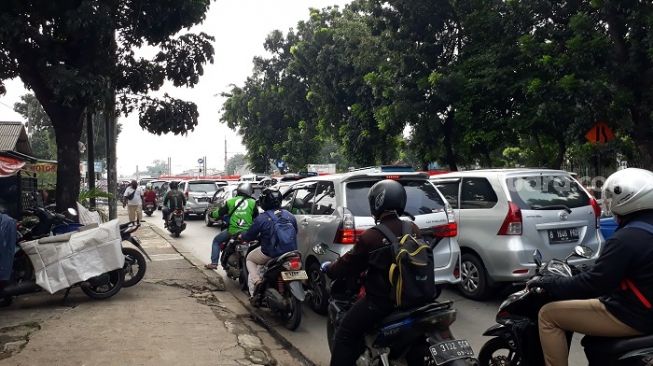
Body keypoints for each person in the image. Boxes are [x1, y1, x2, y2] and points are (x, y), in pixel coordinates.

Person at [527, 168, 653, 366]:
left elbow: (594, 284)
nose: (609, 205)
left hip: (637, 316)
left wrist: (552, 283)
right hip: (643, 309)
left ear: (626, 198)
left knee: (548, 315)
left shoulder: (626, 238)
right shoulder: (643, 232)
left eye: (612, 198)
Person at [321, 179, 421, 366]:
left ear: (377, 203)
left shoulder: (372, 236)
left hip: (382, 303)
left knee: (345, 333)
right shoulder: (412, 228)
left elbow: (347, 264)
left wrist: (330, 268)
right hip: (416, 297)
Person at [240, 188, 298, 298]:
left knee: (250, 259)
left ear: (264, 202)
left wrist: (242, 236)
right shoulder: (290, 215)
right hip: (291, 252)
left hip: (271, 253)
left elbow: (248, 236)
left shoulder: (262, 218)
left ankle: (257, 283)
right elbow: (296, 232)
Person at [205, 183, 258, 270]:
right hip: (248, 232)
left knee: (216, 241)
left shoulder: (230, 201)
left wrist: (211, 213)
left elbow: (218, 213)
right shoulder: (253, 202)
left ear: (238, 191)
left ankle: (214, 263)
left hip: (233, 231)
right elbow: (256, 217)